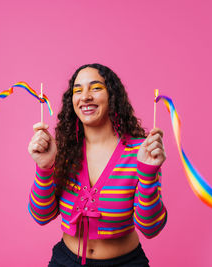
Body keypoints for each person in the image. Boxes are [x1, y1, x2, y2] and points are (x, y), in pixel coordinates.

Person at [28, 63, 167, 266]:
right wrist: (44, 167)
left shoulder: (142, 151)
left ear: (112, 96)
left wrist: (147, 173)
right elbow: (41, 216)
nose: (85, 96)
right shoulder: (63, 150)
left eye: (95, 88)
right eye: (78, 90)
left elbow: (150, 228)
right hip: (65, 260)